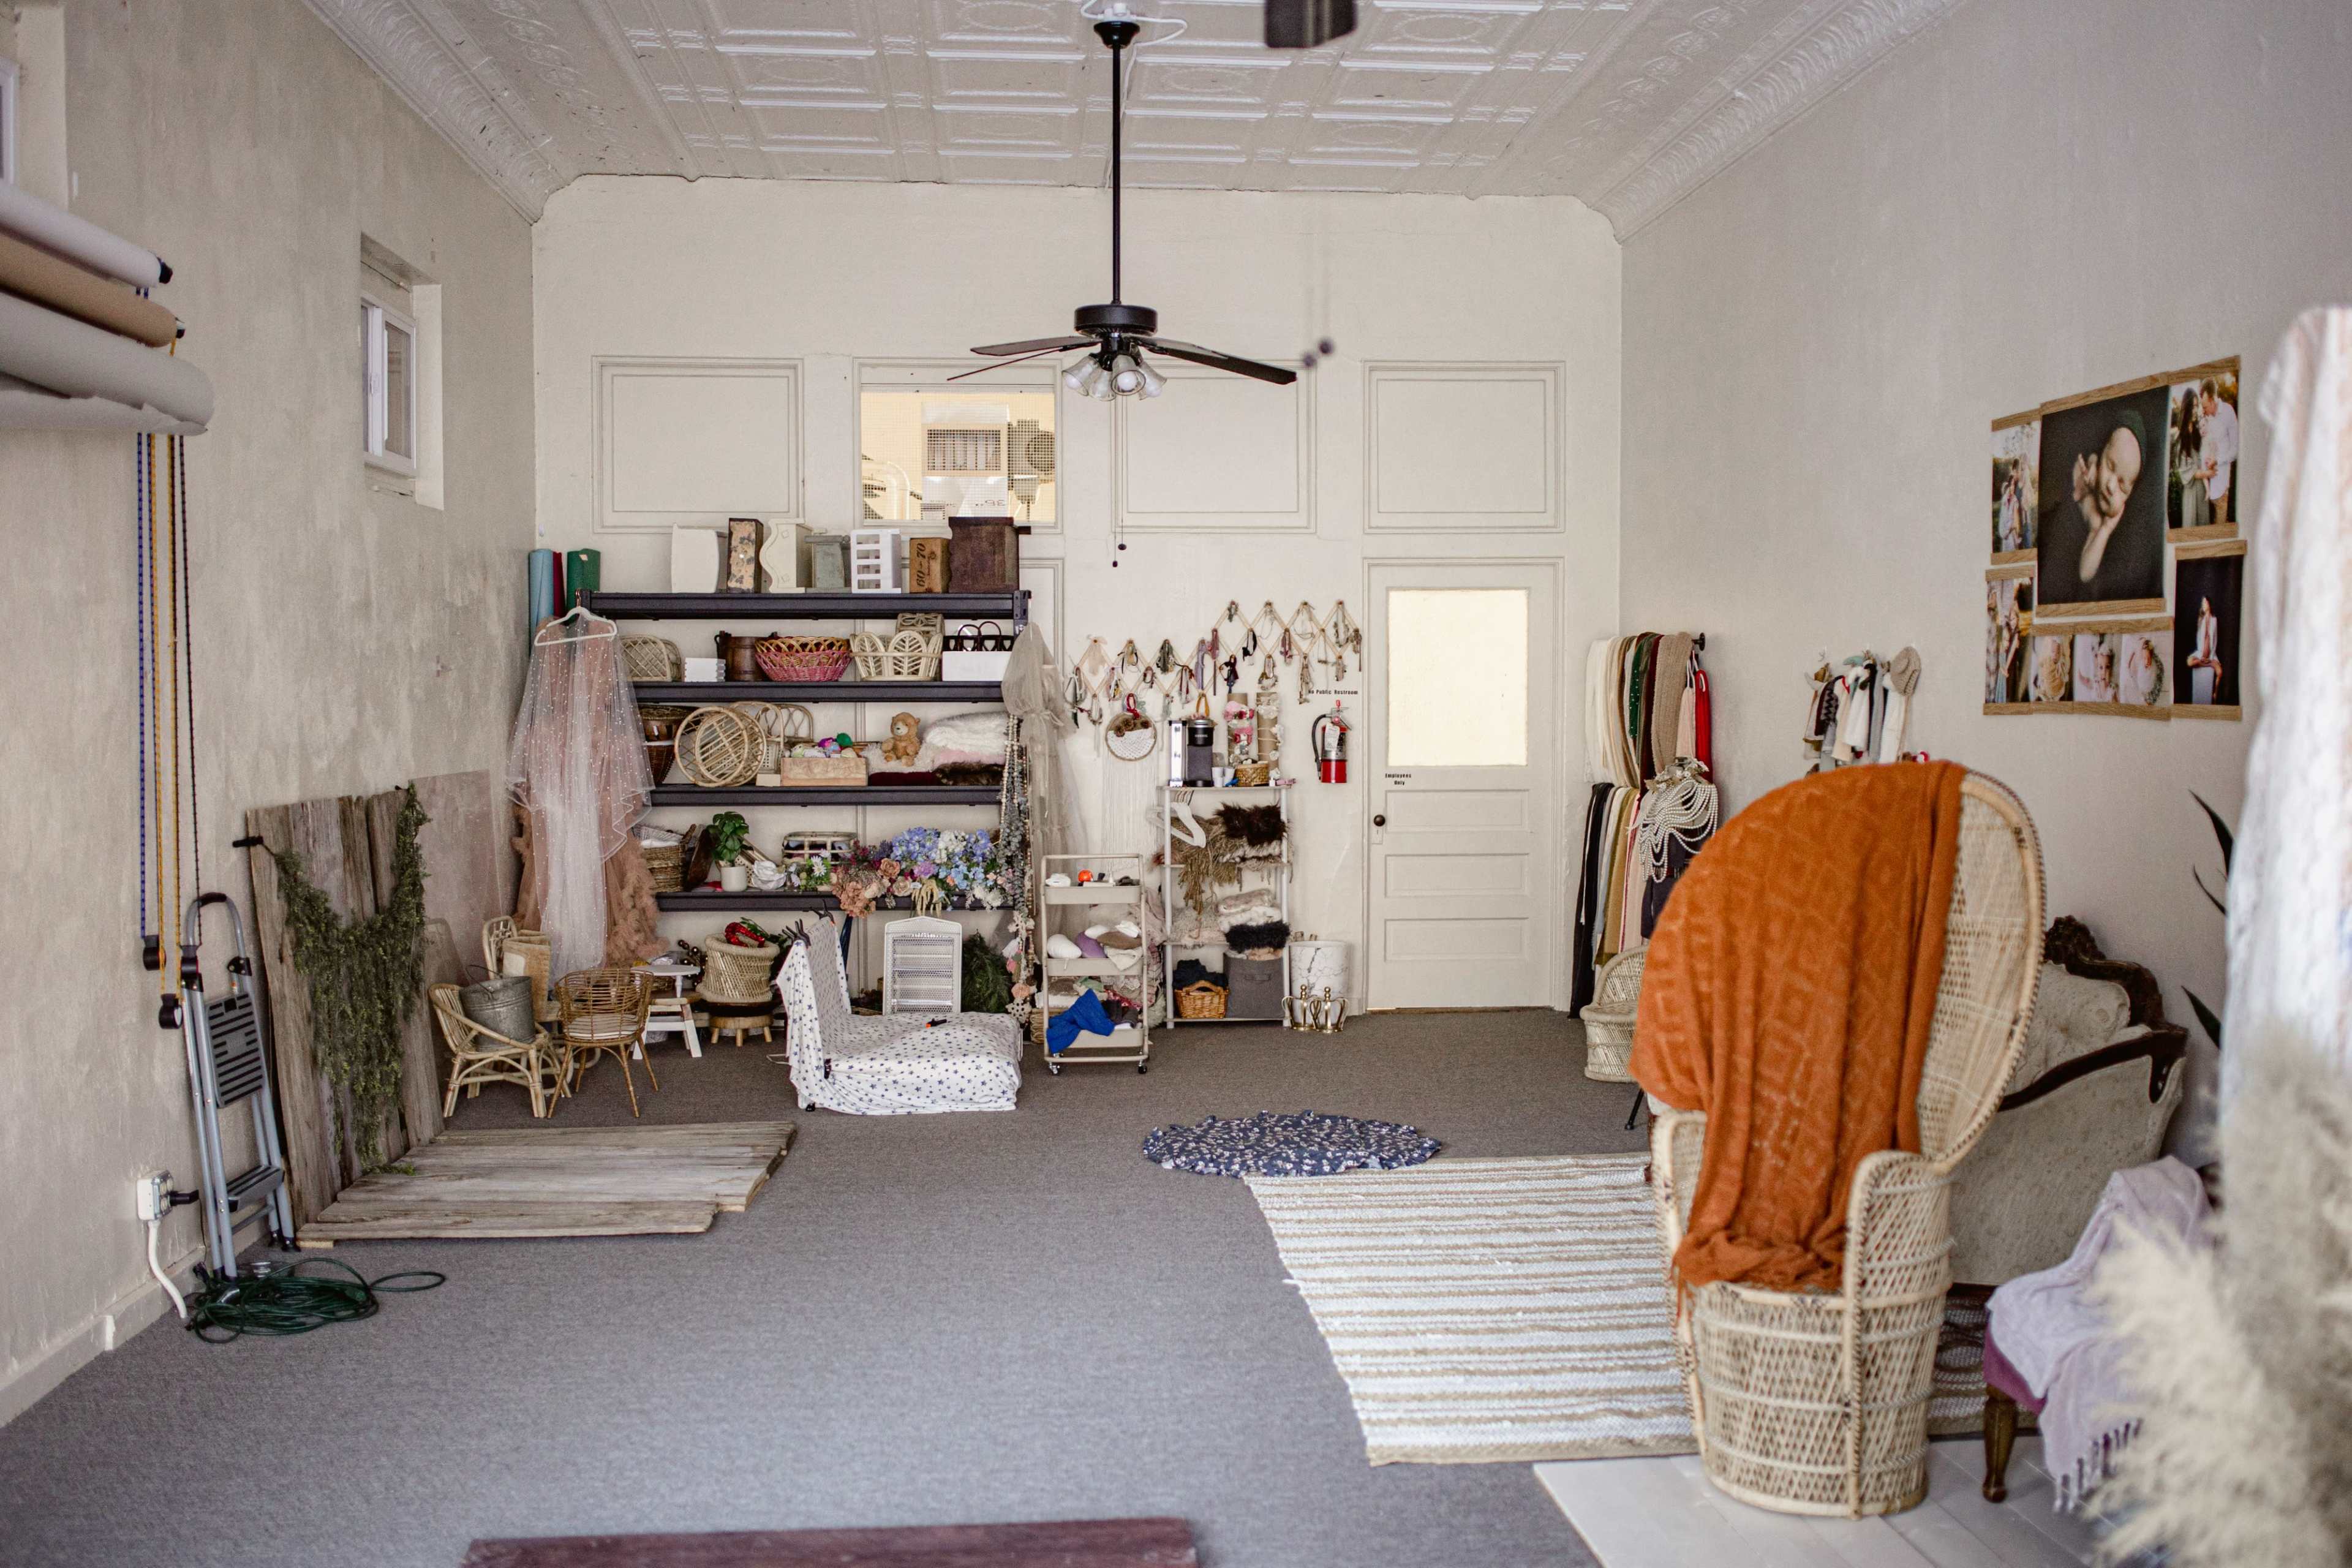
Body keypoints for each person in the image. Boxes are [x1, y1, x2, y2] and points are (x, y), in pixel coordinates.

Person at [2038, 409, 2162, 606]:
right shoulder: (2091, 468)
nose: (2111, 487)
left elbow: (2085, 574)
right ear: (2102, 453)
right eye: (2110, 466)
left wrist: (2105, 530)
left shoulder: (2101, 523)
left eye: (2123, 486)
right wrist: (2084, 482)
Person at [2196, 382, 2239, 529]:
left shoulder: (2228, 412)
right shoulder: (2207, 418)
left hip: (2221, 480)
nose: (2204, 410)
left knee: (2220, 526)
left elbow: (2235, 449)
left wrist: (2217, 461)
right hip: (2207, 480)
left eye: (2206, 407)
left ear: (2214, 399)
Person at [2187, 595, 2224, 704]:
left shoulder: (2214, 621)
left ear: (2209, 604)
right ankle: (2201, 662)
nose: (2204, 605)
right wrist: (2200, 658)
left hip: (2211, 658)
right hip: (2200, 656)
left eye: (2205, 603)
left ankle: (2215, 693)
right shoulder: (2201, 620)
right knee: (2189, 662)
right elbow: (2200, 640)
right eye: (2203, 604)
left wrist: (2214, 658)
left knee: (2220, 672)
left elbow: (2215, 640)